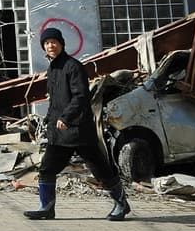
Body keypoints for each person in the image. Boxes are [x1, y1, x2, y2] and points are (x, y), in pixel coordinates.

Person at [24, 27, 130, 221]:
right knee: (47, 169)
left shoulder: (73, 66)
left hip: (79, 131)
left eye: (54, 42)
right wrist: (48, 120)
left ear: (61, 44)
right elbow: (55, 100)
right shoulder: (53, 68)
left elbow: (81, 96)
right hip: (59, 133)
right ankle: (46, 207)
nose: (50, 46)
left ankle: (121, 204)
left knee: (99, 169)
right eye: (47, 43)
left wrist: (66, 118)